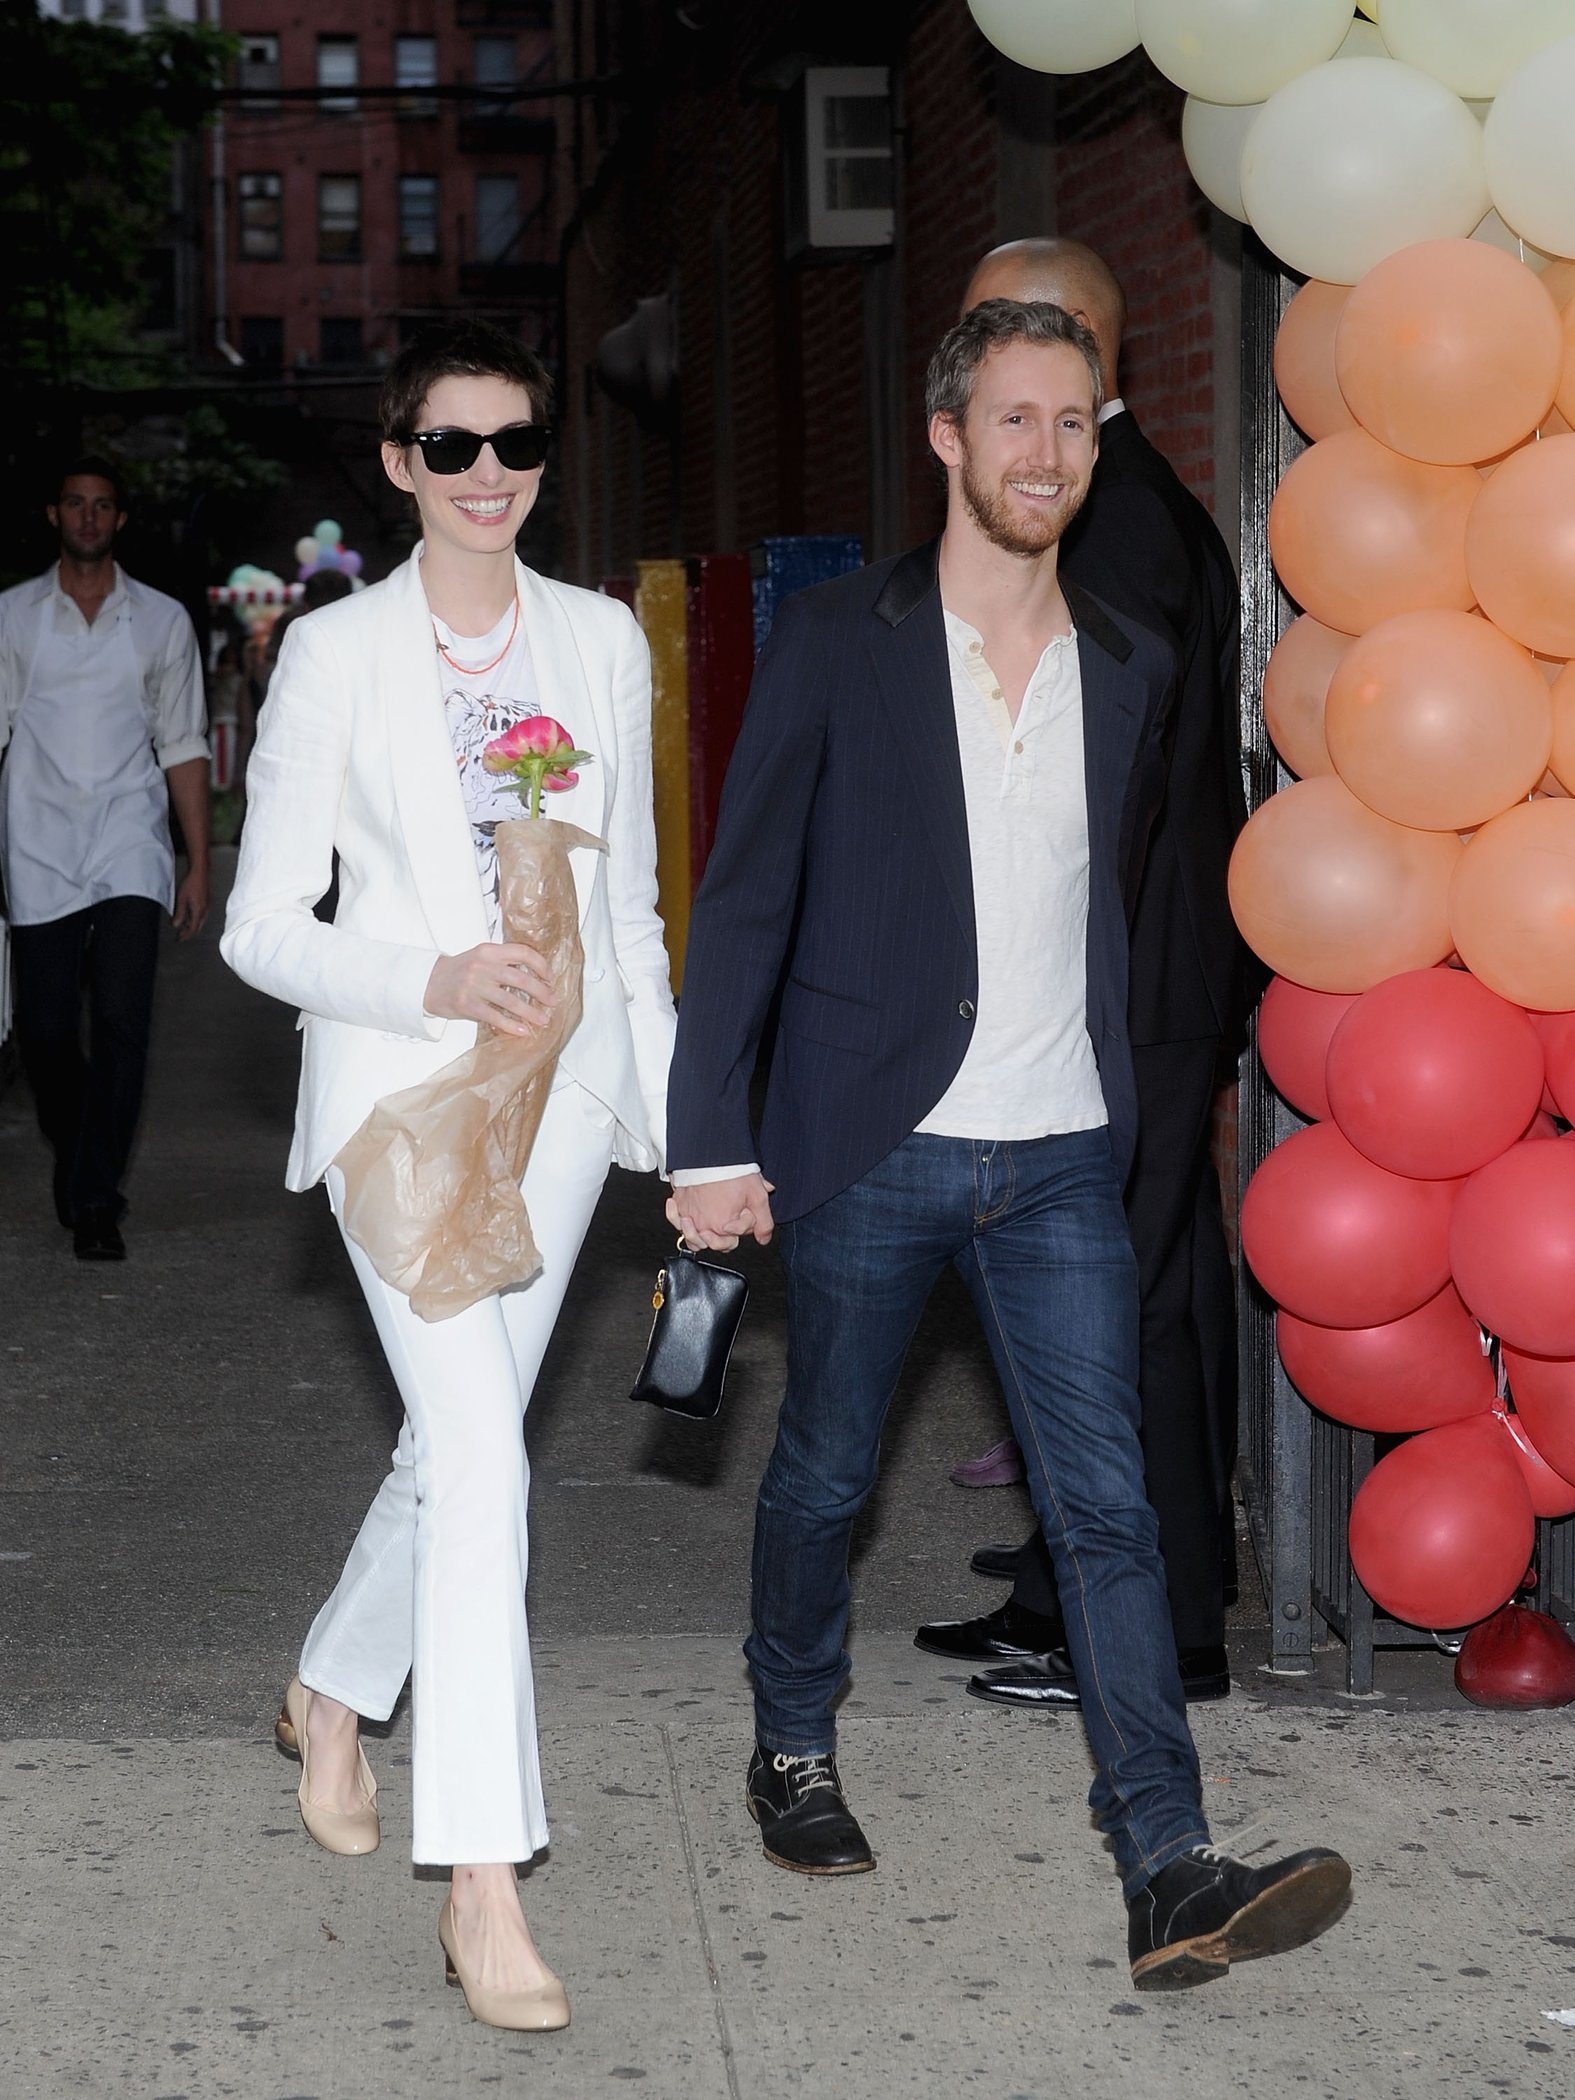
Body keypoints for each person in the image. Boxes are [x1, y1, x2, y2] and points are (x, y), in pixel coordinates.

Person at [665, 300, 1348, 1990]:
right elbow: (745, 904)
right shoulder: (837, 641)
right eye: (1017, 420)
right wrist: (709, 1142)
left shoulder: (1134, 657)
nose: (1047, 451)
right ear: (948, 437)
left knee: (1108, 1508)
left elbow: (1113, 906)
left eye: (1075, 423)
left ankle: (1169, 1859)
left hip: (1059, 1156)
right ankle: (793, 1741)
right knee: (825, 1470)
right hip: (869, 1143)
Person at [221, 320, 676, 2032]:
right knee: (487, 1453)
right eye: (456, 447)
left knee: (447, 1437)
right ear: (400, 464)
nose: (493, 476)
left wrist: (684, 1131)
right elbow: (262, 929)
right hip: (400, 1104)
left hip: (555, 1109)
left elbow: (624, 903)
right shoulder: (334, 658)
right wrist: (429, 978)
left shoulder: (601, 639)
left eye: (519, 445)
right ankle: (483, 1880)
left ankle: (335, 1689)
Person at [919, 239, 1250, 1711]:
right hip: (1148, 971)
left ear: (1083, 348)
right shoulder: (1113, 500)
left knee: (1117, 1294)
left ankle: (1159, 1632)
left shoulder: (1108, 521)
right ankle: (1081, 1585)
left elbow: (1099, 786)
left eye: (1003, 326)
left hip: (1136, 976)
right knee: (1122, 1283)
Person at [0, 456, 209, 1260]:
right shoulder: (15, 617)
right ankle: (81, 1140)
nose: (89, 517)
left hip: (130, 842)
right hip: (38, 842)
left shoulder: (159, 621)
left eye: (104, 506)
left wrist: (196, 861)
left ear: (120, 521)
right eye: (76, 504)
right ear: (54, 514)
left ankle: (96, 1200)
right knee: (48, 1036)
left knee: (123, 1023)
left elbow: (183, 743)